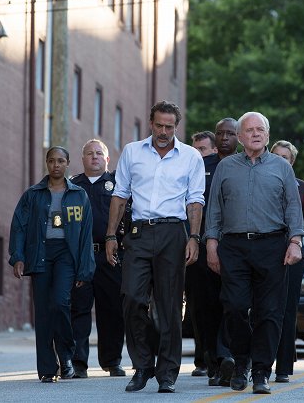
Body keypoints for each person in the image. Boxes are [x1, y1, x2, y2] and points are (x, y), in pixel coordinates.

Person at [105, 100, 205, 393]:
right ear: (151, 123)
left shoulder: (190, 157)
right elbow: (120, 195)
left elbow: (195, 200)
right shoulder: (133, 151)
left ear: (177, 127)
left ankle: (167, 373)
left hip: (173, 234)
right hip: (137, 234)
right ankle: (143, 364)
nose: (163, 131)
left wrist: (194, 238)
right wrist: (111, 235)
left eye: (169, 127)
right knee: (132, 298)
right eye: (159, 125)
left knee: (170, 305)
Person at [205, 112, 304, 395]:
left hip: (272, 246)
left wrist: (295, 241)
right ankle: (241, 362)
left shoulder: (282, 168)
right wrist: (211, 244)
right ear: (240, 136)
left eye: (261, 129)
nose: (256, 134)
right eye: (250, 130)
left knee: (270, 312)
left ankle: (261, 371)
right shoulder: (226, 168)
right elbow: (214, 208)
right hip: (233, 247)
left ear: (268, 135)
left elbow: (293, 208)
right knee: (234, 307)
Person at [9, 146, 95, 383]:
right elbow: (19, 226)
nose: (56, 165)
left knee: (60, 303)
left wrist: (85, 269)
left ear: (67, 164)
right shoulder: (33, 194)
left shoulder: (79, 195)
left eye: (60, 161)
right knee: (44, 312)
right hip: (40, 253)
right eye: (51, 161)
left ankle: (66, 357)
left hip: (67, 255)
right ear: (46, 163)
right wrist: (18, 257)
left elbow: (86, 234)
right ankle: (47, 368)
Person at [69, 139, 126, 378]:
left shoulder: (118, 185)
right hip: (80, 257)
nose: (94, 157)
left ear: (107, 159)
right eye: (89, 154)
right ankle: (78, 363)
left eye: (99, 153)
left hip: (109, 256)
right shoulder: (72, 186)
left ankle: (112, 361)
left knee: (112, 310)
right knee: (79, 310)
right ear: (82, 159)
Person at [187, 119, 238, 385]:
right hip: (203, 246)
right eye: (220, 133)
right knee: (203, 308)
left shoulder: (245, 166)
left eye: (231, 133)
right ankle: (212, 362)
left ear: (238, 137)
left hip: (236, 249)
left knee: (232, 303)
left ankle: (227, 356)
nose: (225, 137)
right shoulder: (200, 167)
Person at [270, 140, 304, 383]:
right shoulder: (261, 181)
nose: (281, 161)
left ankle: (283, 368)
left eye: (286, 158)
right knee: (264, 309)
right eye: (277, 156)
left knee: (288, 311)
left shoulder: (302, 187)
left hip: (293, 255)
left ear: (292, 163)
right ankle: (256, 362)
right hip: (265, 253)